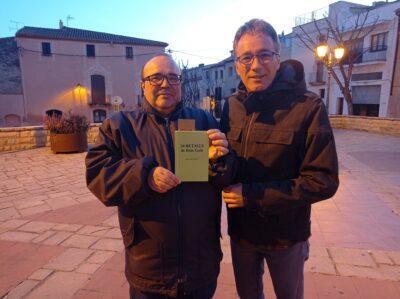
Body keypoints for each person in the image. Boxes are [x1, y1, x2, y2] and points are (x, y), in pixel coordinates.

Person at [86, 54, 233, 298]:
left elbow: (225, 176)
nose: (165, 84)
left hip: (201, 263)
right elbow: (98, 176)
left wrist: (221, 159)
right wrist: (144, 176)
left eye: (173, 78)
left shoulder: (203, 120)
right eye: (156, 78)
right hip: (149, 266)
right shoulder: (120, 126)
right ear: (142, 84)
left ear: (180, 83)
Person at [220, 19, 339, 299]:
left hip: (286, 237)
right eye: (246, 57)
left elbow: (324, 180)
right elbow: (229, 168)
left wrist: (253, 195)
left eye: (264, 55)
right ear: (237, 64)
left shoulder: (308, 107)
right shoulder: (232, 106)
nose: (256, 65)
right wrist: (216, 163)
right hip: (242, 236)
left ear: (277, 58)